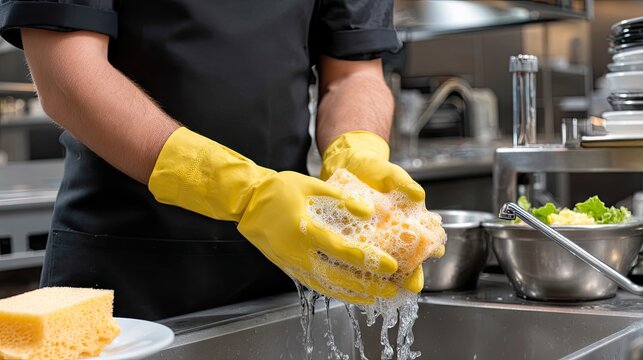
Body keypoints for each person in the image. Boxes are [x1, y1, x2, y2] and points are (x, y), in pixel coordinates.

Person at [0, 0, 426, 320]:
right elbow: (65, 73)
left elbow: (354, 73)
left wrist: (357, 151)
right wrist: (243, 192)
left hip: (284, 267)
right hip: (124, 267)